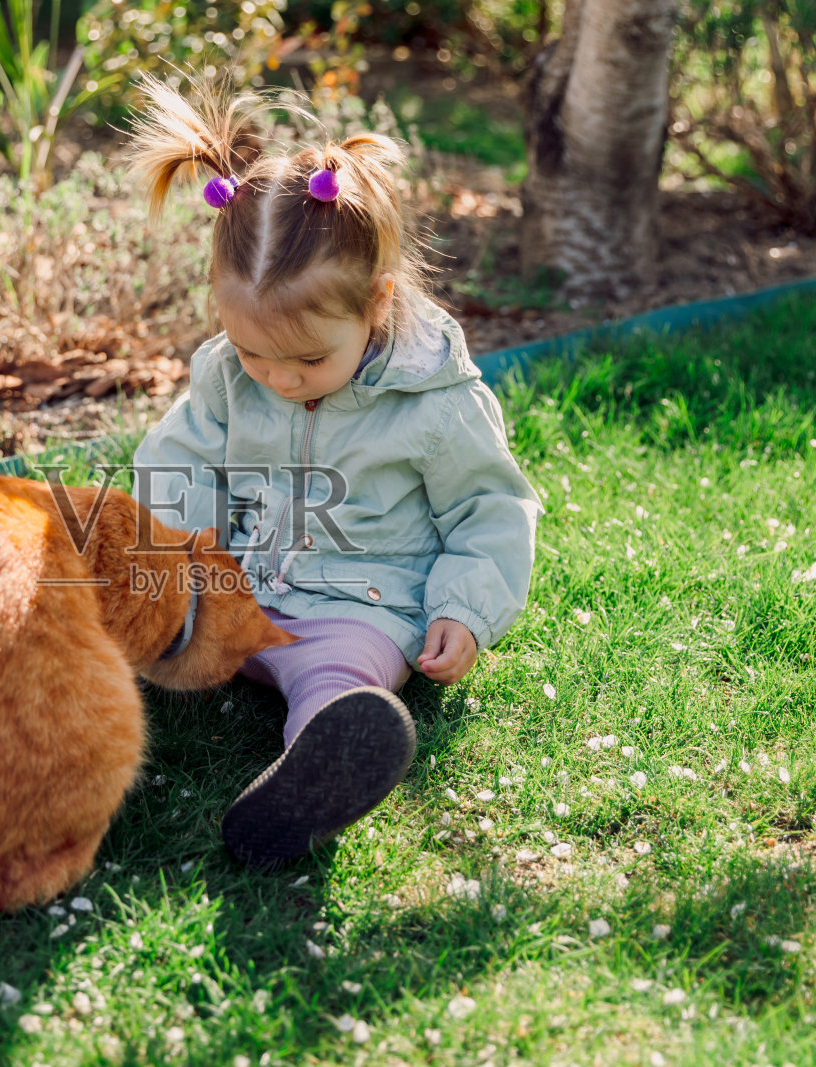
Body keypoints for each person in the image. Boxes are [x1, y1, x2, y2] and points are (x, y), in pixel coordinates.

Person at [127, 78, 543, 869]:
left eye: (309, 359)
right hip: (239, 586)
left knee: (338, 674)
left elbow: (489, 507)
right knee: (128, 609)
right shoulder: (226, 376)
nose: (277, 378)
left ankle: (321, 762)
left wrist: (463, 608)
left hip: (361, 601)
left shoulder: (434, 403)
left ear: (376, 304)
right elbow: (180, 461)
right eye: (253, 353)